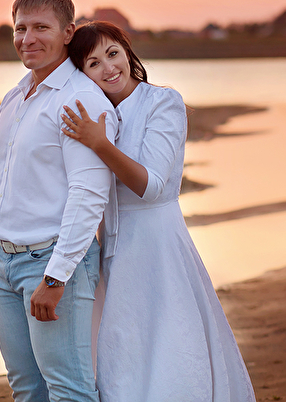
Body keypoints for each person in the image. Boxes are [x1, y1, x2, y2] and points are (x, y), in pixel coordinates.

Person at [61, 21, 256, 402]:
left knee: (169, 343)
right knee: (119, 349)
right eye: (93, 63)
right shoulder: (96, 112)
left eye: (113, 53)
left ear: (127, 51)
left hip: (157, 243)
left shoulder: (162, 102)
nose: (108, 68)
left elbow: (151, 187)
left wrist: (100, 145)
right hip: (109, 246)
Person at [0, 0, 118, 402]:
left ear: (68, 32)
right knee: (27, 389)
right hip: (3, 264)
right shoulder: (15, 97)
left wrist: (56, 276)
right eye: (20, 28)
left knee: (69, 390)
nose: (27, 39)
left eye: (41, 28)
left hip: (52, 262)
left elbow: (89, 195)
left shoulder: (81, 100)